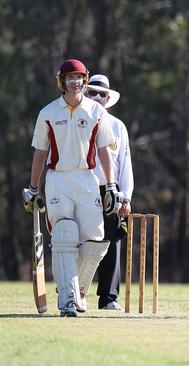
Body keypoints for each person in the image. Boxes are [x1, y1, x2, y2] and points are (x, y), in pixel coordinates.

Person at [22, 59, 120, 317]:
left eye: (78, 77)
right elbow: (40, 154)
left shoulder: (96, 112)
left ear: (84, 80)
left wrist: (110, 185)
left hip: (88, 180)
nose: (74, 82)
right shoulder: (48, 113)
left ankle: (78, 291)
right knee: (64, 236)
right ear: (61, 82)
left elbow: (104, 151)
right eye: (69, 78)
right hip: (58, 180)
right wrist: (33, 188)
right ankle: (67, 299)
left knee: (96, 242)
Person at [86, 74, 133, 310]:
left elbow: (124, 165)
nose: (96, 97)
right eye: (91, 92)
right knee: (80, 241)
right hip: (82, 186)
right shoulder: (77, 121)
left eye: (101, 94)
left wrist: (125, 197)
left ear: (107, 98)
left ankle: (108, 298)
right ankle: (75, 292)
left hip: (110, 189)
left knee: (112, 241)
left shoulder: (117, 126)